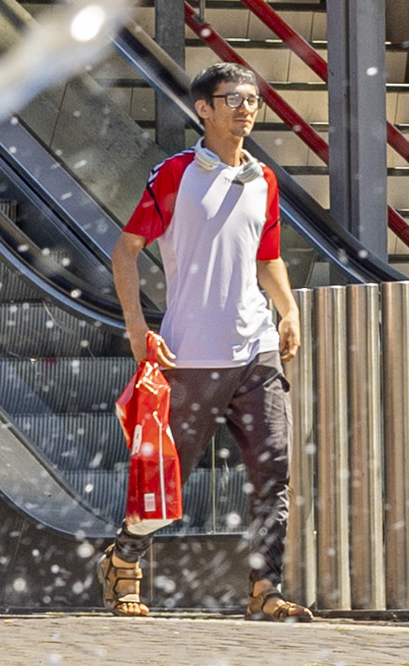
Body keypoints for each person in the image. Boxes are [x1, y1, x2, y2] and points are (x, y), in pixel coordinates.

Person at [105, 63, 306, 621]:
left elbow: (268, 258)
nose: (246, 108)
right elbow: (124, 253)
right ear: (204, 109)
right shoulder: (175, 174)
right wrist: (138, 330)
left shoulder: (263, 180)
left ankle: (265, 588)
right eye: (233, 99)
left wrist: (287, 310)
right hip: (189, 352)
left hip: (256, 349)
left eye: (253, 99)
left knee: (276, 467)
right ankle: (125, 560)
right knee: (168, 476)